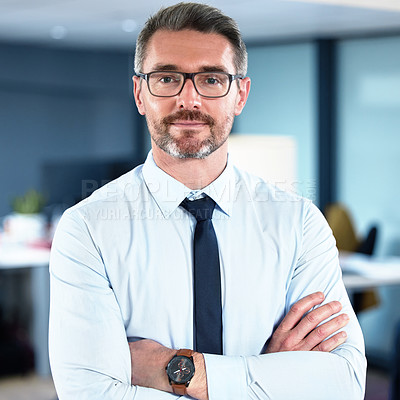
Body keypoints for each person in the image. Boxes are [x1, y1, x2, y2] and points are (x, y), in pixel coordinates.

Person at [49, 2, 366, 399]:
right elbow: (89, 393)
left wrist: (182, 371)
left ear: (240, 95)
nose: (189, 99)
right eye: (167, 78)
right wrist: (268, 375)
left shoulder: (299, 224)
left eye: (212, 79)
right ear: (139, 93)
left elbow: (343, 384)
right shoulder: (87, 230)